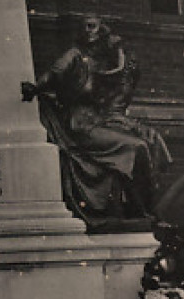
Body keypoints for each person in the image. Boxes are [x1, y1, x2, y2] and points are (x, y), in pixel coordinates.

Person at [21, 15, 170, 227]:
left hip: (99, 120)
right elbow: (54, 74)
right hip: (81, 124)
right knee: (136, 148)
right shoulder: (74, 55)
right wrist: (35, 87)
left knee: (147, 142)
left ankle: (142, 210)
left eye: (93, 27)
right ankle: (141, 210)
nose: (89, 31)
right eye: (85, 27)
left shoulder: (102, 61)